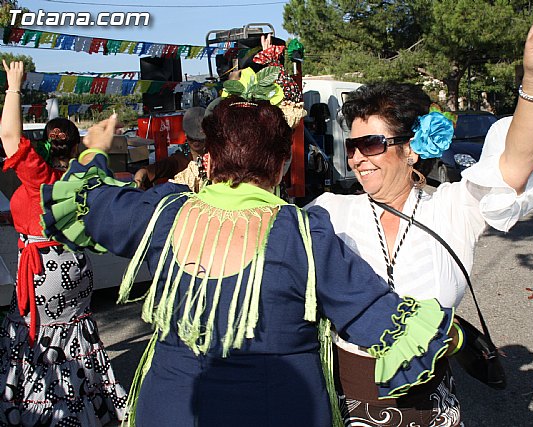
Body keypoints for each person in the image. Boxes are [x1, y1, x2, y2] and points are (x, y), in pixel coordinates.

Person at [40, 96, 463, 426]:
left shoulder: (162, 212)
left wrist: (94, 150)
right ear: (280, 166)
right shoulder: (303, 234)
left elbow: (87, 199)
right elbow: (381, 321)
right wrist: (448, 334)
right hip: (279, 410)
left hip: (170, 408)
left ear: (208, 160)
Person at [305, 1, 533, 424]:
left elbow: (513, 166)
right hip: (350, 404)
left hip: (432, 406)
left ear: (410, 148)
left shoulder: (453, 207)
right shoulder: (329, 212)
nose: (358, 158)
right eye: (352, 146)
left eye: (372, 145)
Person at [0, 60, 127, 426]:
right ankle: (86, 403)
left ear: (46, 144)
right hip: (75, 268)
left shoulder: (40, 179)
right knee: (73, 334)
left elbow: (9, 137)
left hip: (43, 271)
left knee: (38, 337)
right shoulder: (84, 179)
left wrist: (13, 86)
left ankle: (47, 409)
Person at [133, 106, 209, 192]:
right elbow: (156, 169)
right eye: (192, 138)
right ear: (186, 135)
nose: (196, 142)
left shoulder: (215, 158)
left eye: (200, 139)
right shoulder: (178, 160)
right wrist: (141, 174)